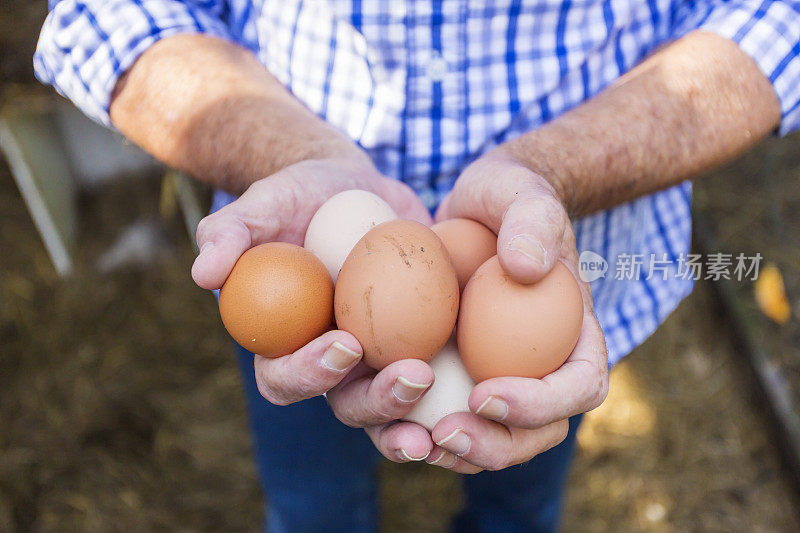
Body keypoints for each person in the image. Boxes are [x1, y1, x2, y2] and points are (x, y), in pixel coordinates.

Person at [34, 1, 799, 531]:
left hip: (566, 270)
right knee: (312, 501)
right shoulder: (310, 282)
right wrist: (294, 152)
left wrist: (554, 167)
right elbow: (109, 13)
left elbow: (775, 20)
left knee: (523, 487)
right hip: (311, 282)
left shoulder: (529, 304)